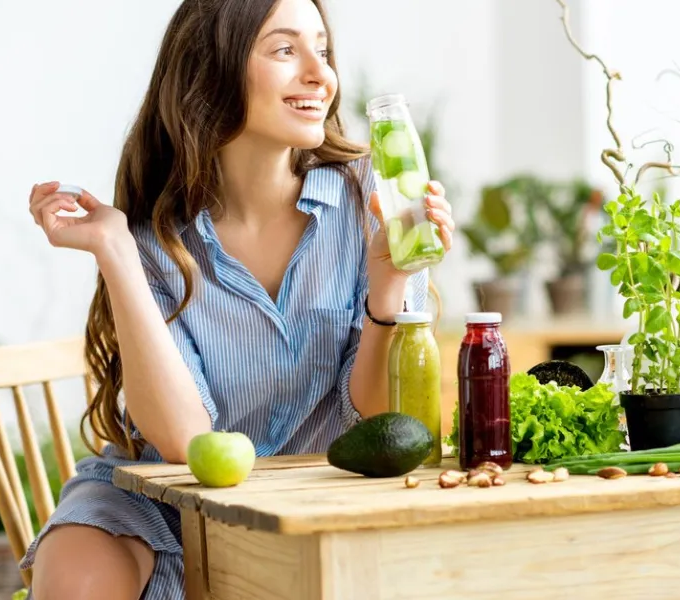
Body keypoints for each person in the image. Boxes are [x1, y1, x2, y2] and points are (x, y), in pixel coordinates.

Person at [23, 0, 455, 597]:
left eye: (323, 50)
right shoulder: (156, 237)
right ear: (212, 68)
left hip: (316, 500)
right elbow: (183, 442)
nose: (320, 74)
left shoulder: (374, 201)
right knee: (77, 571)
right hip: (167, 504)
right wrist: (116, 250)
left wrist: (388, 288)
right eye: (286, 50)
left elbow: (382, 424)